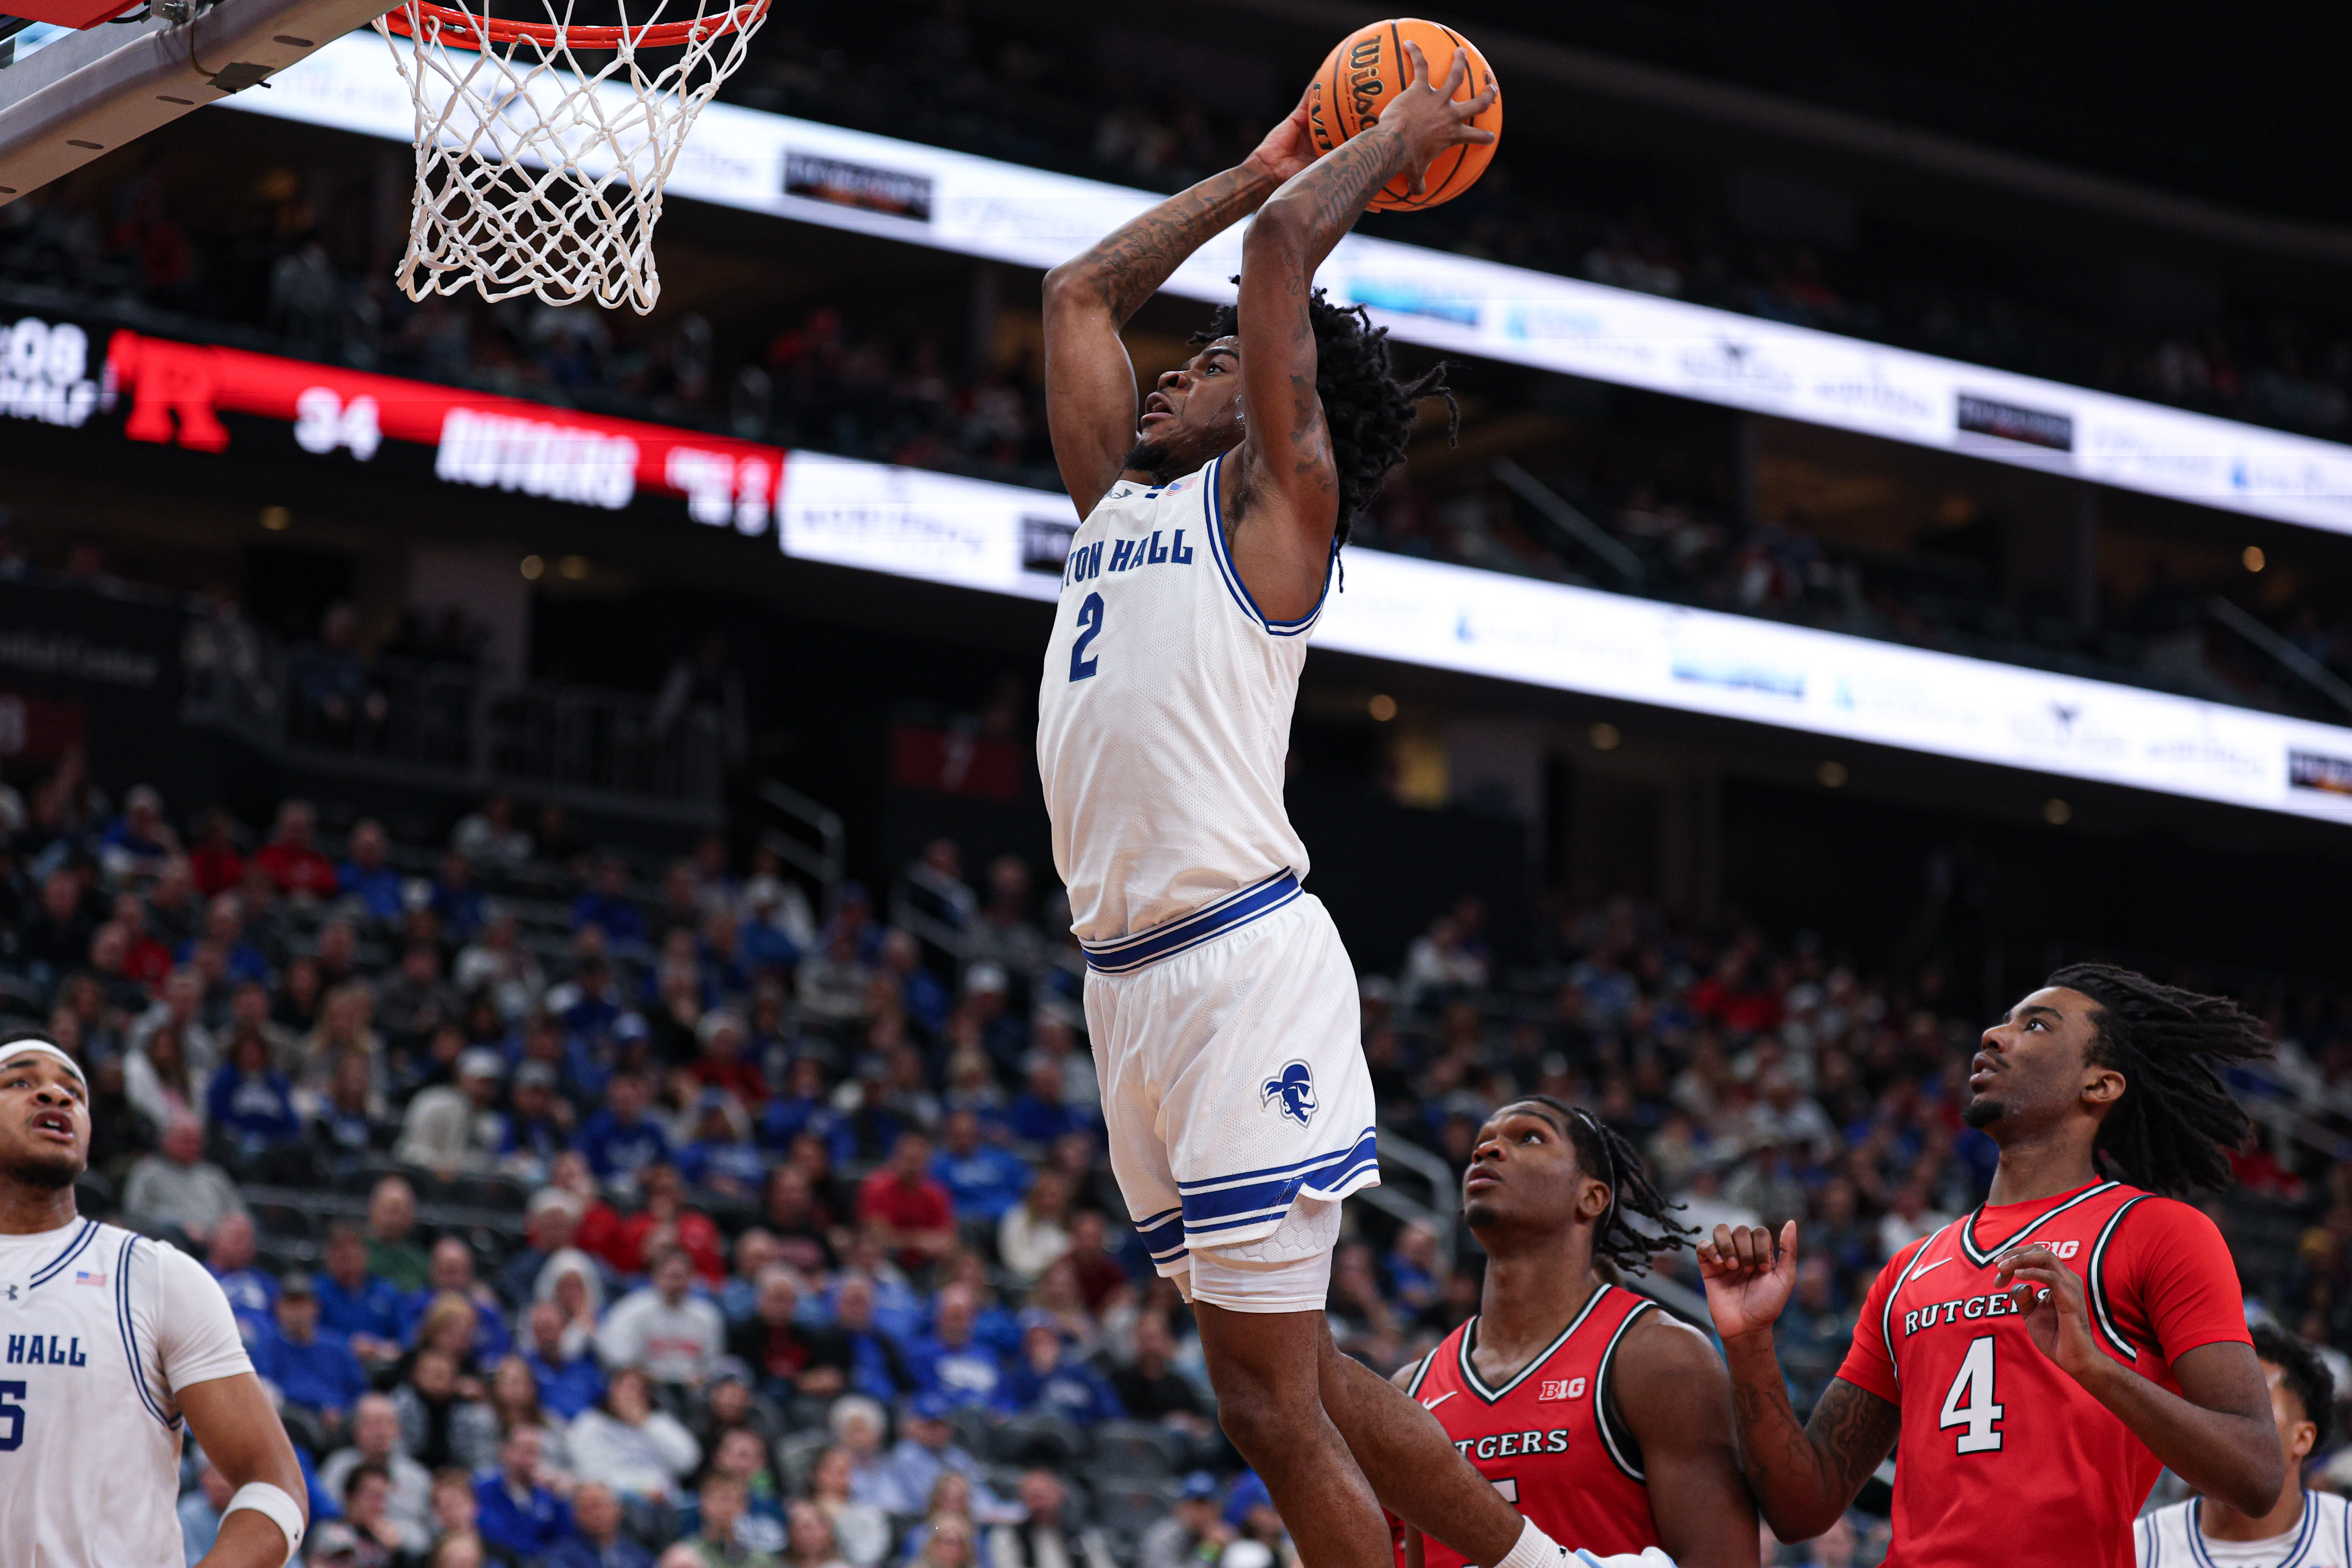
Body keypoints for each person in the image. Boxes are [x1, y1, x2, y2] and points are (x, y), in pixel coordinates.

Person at [1033, 46, 1571, 1568]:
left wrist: (1382, 144)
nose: (1183, 368)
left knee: (1267, 1407)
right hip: (1125, 984)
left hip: (1237, 964)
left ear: (1282, 407)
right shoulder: (1115, 508)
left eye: (1215, 362)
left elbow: (1278, 268)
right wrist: (1261, 161)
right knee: (1294, 1375)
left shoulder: (1278, 509)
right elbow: (1078, 294)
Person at [1700, 965, 2286, 1566]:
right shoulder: (1909, 1268)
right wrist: (1749, 1343)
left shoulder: (2159, 1234)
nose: (1992, 1036)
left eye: (2035, 1025)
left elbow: (2257, 1474)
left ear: (2101, 1085)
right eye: (2003, 1021)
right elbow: (1804, 1508)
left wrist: (2097, 1369)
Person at [1395, 1098, 1756, 1566]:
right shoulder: (1409, 1392)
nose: (1488, 1152)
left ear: (1592, 1197)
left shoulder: (1659, 1357)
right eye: (1481, 1145)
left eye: (1529, 1137)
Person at [0, 1034, 311, 1568]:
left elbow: (273, 1484)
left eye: (72, 1091)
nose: (56, 1097)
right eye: (21, 1082)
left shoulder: (153, 1277)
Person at [2136, 1322, 2352, 1566]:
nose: (2218, 1418)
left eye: (2248, 1406)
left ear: (2302, 1439)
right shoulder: (2141, 1547)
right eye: (2210, 1400)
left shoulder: (2345, 1538)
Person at [251, 1272, 370, 1439]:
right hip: (292, 1429)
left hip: (343, 1427)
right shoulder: (267, 1347)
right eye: (291, 1305)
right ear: (279, 1308)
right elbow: (269, 1393)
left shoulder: (337, 1346)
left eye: (302, 1305)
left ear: (315, 1308)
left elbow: (359, 1391)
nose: (297, 1312)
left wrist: (341, 1412)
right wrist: (319, 1408)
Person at [595, 1247, 726, 1388]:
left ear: (690, 1278)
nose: (674, 1284)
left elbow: (712, 1365)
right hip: (645, 1389)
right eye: (670, 1276)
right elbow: (619, 1359)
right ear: (655, 1276)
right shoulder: (631, 1310)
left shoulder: (707, 1315)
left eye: (679, 1277)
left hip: (692, 1391)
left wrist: (701, 1378)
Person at [474, 1425, 571, 1561]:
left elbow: (564, 1538)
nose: (531, 1459)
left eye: (536, 1451)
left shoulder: (547, 1493)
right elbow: (497, 1536)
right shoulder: (484, 1489)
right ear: (506, 1451)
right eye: (525, 1450)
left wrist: (561, 1499)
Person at [544, 1481, 652, 1568]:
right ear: (575, 1515)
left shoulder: (638, 1555)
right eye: (587, 1508)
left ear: (618, 1509)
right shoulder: (560, 1557)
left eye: (602, 1505)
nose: (597, 1514)